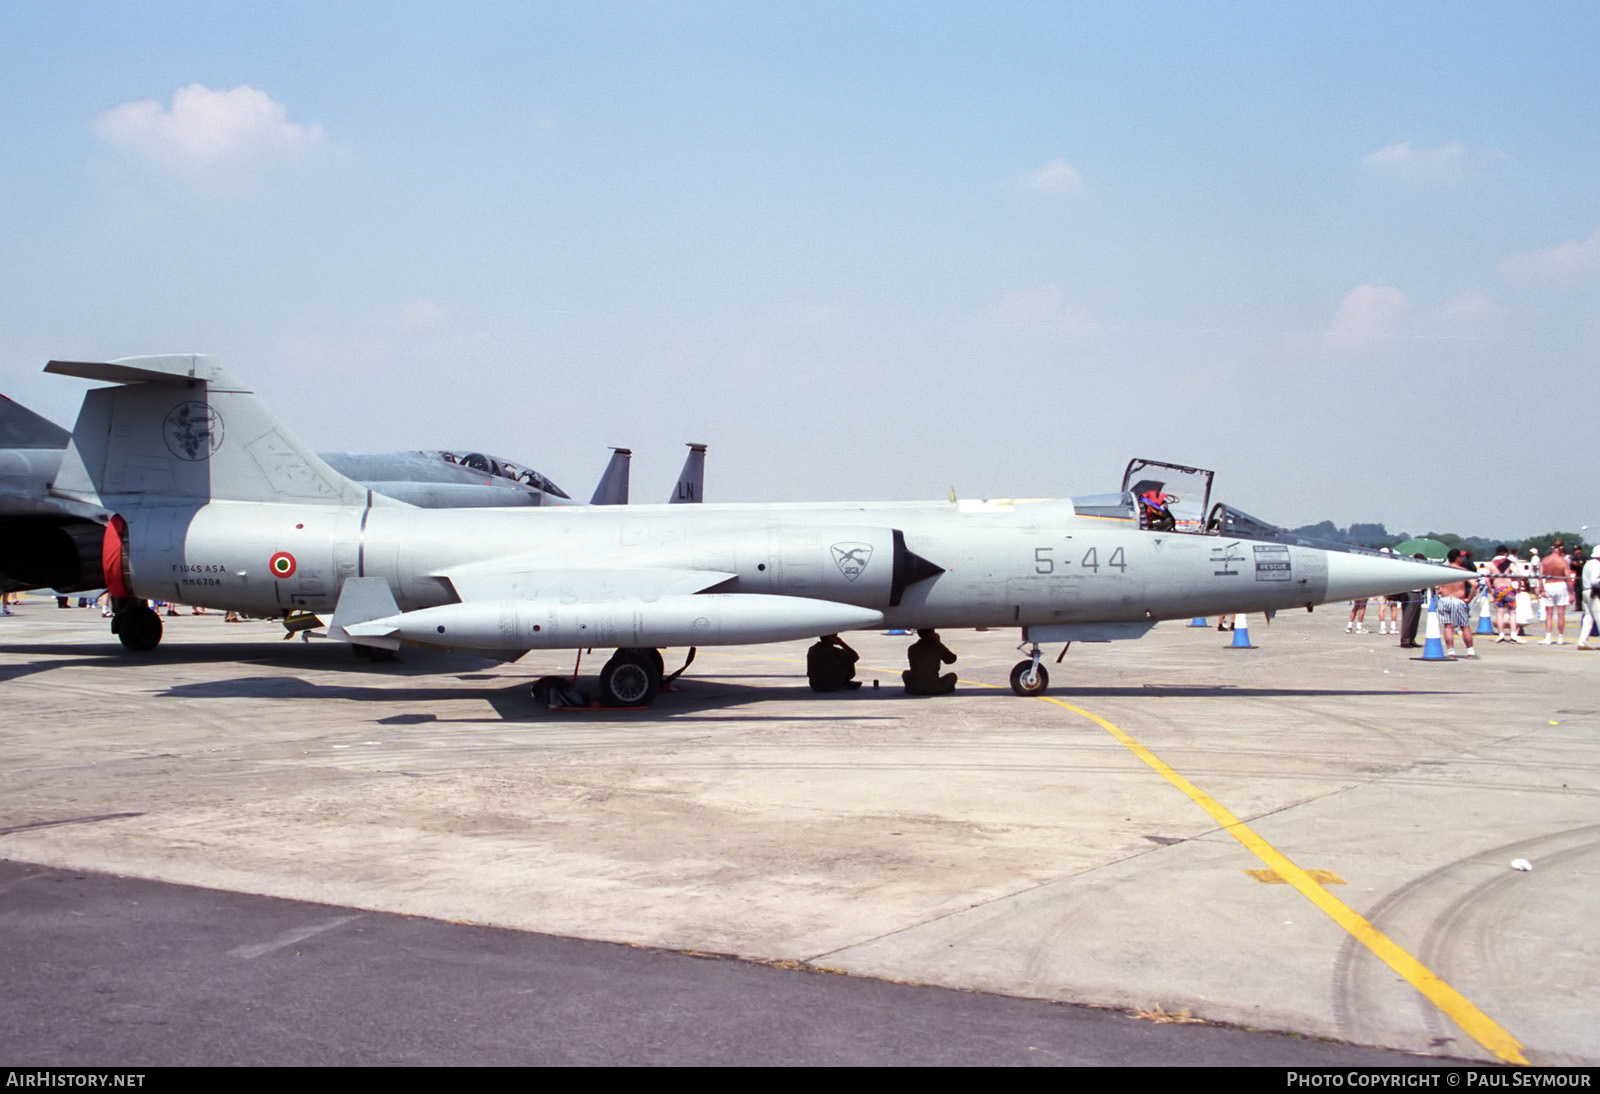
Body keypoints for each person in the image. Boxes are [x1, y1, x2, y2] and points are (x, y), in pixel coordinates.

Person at [1435, 550, 1477, 658]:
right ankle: (1470, 650)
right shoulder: (1462, 571)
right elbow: (1475, 584)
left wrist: (1440, 588)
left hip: (1445, 599)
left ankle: (1451, 651)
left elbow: (1436, 585)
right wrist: (1469, 598)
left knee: (1448, 627)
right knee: (1464, 626)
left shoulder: (1443, 571)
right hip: (1458, 600)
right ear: (1457, 558)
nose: (1462, 559)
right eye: (1461, 557)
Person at [903, 629, 957, 695]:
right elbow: (951, 659)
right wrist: (938, 643)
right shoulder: (937, 646)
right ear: (930, 634)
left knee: (906, 673)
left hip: (915, 688)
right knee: (952, 676)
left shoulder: (912, 648)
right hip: (934, 687)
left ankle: (914, 687)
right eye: (933, 632)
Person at [1540, 544, 1573, 645]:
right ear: (1560, 550)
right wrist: (1571, 592)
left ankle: (1548, 636)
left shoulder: (1545, 560)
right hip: (1561, 584)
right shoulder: (1563, 561)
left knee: (1549, 613)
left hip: (1549, 584)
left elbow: (1540, 576)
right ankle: (1560, 637)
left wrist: (1542, 589)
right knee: (1561, 613)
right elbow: (1568, 577)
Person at [1397, 553, 1426, 648]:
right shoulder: (1410, 569)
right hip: (1410, 593)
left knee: (1415, 619)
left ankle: (1411, 638)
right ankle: (1405, 640)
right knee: (1408, 618)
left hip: (1418, 593)